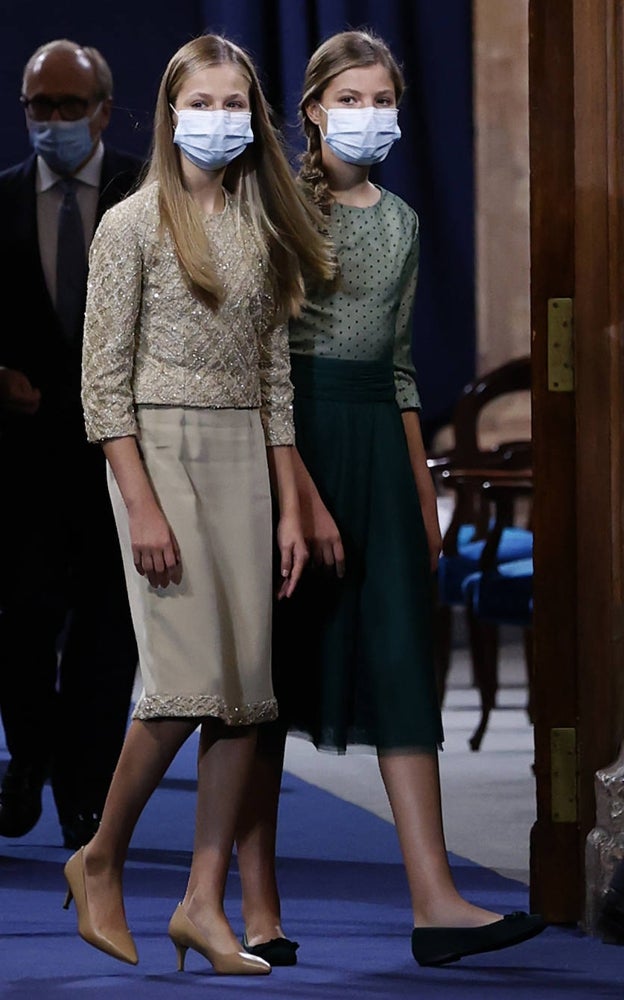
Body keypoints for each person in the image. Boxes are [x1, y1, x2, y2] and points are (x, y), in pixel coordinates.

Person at [235, 28, 547, 969]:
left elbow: (403, 372)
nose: (368, 115)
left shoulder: (405, 221)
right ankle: (258, 908)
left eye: (383, 99)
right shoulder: (276, 207)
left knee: (407, 663)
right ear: (314, 109)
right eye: (351, 97)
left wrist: (423, 500)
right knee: (269, 679)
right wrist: (301, 495)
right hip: (293, 445)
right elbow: (259, 366)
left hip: (379, 439)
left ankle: (435, 899)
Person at [65, 33, 335, 974]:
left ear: (252, 117)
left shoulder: (261, 224)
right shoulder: (132, 225)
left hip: (243, 460)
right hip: (159, 453)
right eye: (202, 103)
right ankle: (100, 856)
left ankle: (201, 903)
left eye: (234, 105)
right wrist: (140, 505)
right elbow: (102, 387)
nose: (218, 121)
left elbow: (272, 377)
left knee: (245, 696)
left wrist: (292, 502)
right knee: (182, 687)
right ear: (169, 110)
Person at [0, 39, 142, 850]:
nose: (50, 120)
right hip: (19, 457)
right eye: (37, 106)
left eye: (66, 106)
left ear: (100, 110)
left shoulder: (146, 192)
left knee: (106, 629)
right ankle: (29, 759)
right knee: (20, 623)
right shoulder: (1, 199)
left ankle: (84, 796)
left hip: (120, 455)